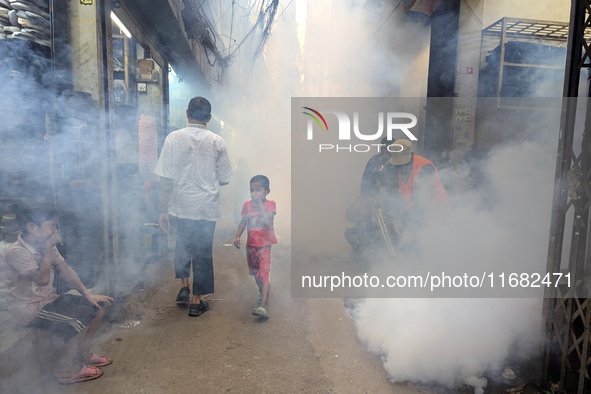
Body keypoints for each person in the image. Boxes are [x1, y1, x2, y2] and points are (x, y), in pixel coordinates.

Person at [4, 204, 114, 384]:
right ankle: (64, 370)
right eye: (51, 225)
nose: (55, 229)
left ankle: (82, 355)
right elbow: (42, 280)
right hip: (29, 309)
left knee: (97, 309)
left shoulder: (43, 244)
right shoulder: (16, 252)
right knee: (77, 322)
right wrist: (48, 248)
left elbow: (65, 269)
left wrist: (87, 294)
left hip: (48, 301)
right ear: (32, 227)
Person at [155, 96, 232, 317]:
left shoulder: (172, 138)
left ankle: (184, 287)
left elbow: (165, 179)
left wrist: (162, 209)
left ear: (187, 113)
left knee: (182, 247)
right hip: (206, 208)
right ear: (208, 118)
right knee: (202, 253)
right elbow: (225, 178)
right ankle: (197, 302)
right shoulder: (217, 141)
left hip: (180, 206)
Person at [233, 175, 277, 319]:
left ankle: (264, 305)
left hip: (264, 245)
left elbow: (267, 221)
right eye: (252, 190)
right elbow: (243, 222)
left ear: (267, 191)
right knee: (254, 272)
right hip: (251, 245)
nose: (255, 193)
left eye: (258, 189)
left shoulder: (270, 204)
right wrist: (238, 235)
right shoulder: (247, 205)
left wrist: (259, 204)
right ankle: (261, 291)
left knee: (264, 273)